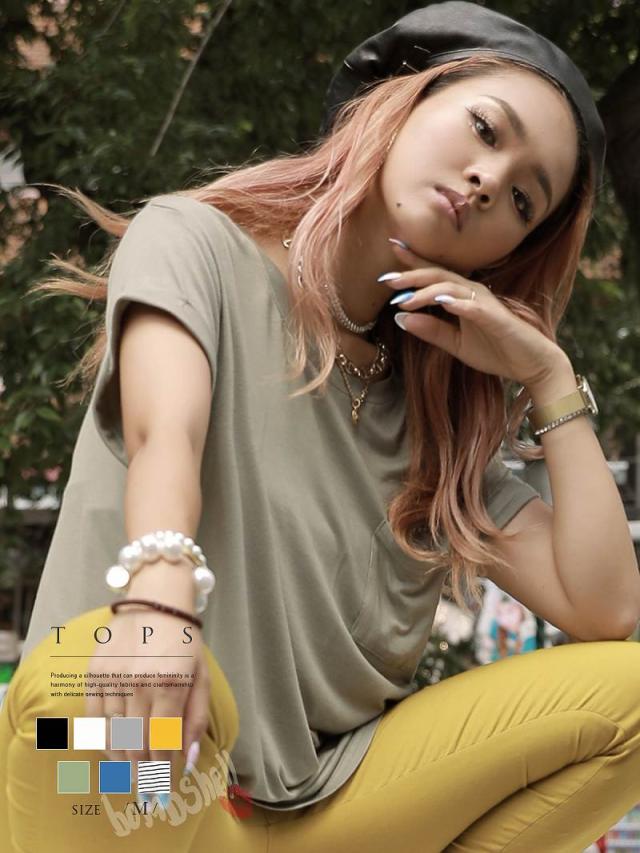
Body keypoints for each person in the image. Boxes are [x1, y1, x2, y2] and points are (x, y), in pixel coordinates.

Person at [2, 2, 640, 851]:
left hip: (319, 813)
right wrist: (156, 605)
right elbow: (165, 434)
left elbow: (607, 609)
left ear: (506, 254)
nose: (489, 179)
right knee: (80, 686)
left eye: (523, 198)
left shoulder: (438, 435)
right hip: (138, 769)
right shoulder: (195, 245)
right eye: (485, 128)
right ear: (401, 97)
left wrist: (547, 376)